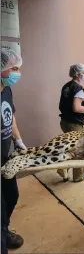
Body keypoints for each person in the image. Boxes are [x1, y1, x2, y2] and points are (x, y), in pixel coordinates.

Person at [1, 48, 26, 254]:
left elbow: (12, 117)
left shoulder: (6, 90)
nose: (18, 73)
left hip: (5, 157)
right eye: (14, 68)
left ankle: (4, 230)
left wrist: (18, 141)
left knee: (12, 195)